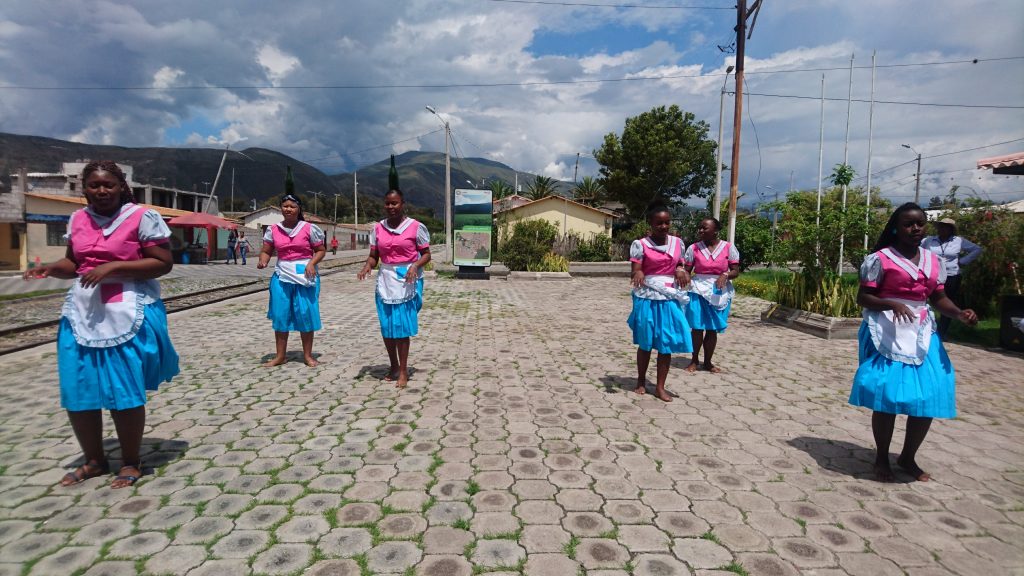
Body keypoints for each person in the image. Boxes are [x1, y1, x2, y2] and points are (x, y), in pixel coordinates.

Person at [23, 161, 179, 488]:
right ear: (84, 189)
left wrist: (113, 267)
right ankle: (94, 460)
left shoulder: (140, 217)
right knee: (78, 388)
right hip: (83, 311)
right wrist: (52, 268)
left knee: (124, 389)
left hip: (128, 309)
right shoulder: (79, 219)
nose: (102, 191)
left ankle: (131, 461)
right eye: (94, 185)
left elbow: (163, 263)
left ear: (122, 186)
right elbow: (75, 263)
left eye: (108, 184)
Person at [850, 203, 977, 483]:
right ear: (896, 227)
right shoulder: (880, 259)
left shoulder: (933, 261)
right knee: (888, 395)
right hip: (886, 330)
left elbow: (938, 297)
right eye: (908, 224)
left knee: (929, 394)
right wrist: (890, 303)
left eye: (920, 223)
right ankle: (882, 456)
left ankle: (908, 457)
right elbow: (863, 298)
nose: (915, 228)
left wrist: (958, 312)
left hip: (922, 331)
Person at [357, 189, 431, 388]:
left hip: (407, 279)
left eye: (395, 203)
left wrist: (415, 265)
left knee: (401, 327)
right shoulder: (378, 228)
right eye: (387, 203)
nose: (391, 207)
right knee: (387, 326)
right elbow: (374, 255)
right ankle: (393, 365)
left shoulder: (416, 227)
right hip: (386, 280)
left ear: (403, 203)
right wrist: (367, 265)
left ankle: (404, 370)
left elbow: (426, 254)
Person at [627, 205, 692, 402]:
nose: (663, 226)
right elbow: (636, 269)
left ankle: (660, 387)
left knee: (666, 343)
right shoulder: (641, 244)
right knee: (646, 341)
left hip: (669, 296)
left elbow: (680, 264)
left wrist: (680, 270)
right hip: (648, 295)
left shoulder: (677, 242)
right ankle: (640, 380)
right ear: (651, 224)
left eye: (667, 222)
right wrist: (638, 272)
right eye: (659, 223)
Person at [257, 194, 327, 367]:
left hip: (305, 275)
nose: (288, 209)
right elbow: (266, 250)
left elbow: (320, 250)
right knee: (281, 314)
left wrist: (312, 263)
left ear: (299, 209)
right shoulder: (273, 229)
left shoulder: (309, 228)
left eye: (292, 206)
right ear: (281, 208)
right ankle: (280, 355)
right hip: (282, 276)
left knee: (306, 314)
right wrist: (263, 260)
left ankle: (308, 355)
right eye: (285, 206)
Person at [683, 218, 740, 373]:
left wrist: (726, 274)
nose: (701, 231)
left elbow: (735, 270)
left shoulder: (728, 247)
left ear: (715, 230)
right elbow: (687, 270)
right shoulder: (693, 248)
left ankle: (708, 362)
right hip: (698, 290)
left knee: (712, 328)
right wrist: (685, 277)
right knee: (696, 327)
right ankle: (694, 360)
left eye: (705, 228)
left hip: (718, 291)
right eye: (700, 228)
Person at [921, 217, 982, 339]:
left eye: (945, 227)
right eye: (940, 226)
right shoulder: (928, 240)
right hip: (931, 275)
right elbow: (916, 249)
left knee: (948, 302)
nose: (942, 229)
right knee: (924, 301)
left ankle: (941, 333)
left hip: (952, 275)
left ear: (951, 229)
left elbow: (977, 249)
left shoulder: (958, 241)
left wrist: (963, 261)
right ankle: (924, 327)